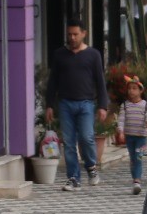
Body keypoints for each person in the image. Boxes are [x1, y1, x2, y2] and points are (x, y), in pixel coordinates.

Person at [45, 20, 109, 191]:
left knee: (87, 138)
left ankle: (91, 167)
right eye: (69, 34)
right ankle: (73, 177)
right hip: (65, 103)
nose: (72, 38)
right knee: (68, 141)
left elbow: (100, 81)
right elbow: (53, 81)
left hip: (86, 103)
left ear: (83, 34)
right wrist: (49, 104)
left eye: (75, 34)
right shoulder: (60, 55)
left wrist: (103, 105)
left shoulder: (93, 55)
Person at [116, 75, 147, 195]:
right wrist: (120, 131)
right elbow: (121, 119)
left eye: (134, 88)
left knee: (138, 157)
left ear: (141, 90)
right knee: (133, 159)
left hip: (141, 137)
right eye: (130, 88)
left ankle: (137, 181)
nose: (131, 91)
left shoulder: (145, 105)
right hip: (130, 136)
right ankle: (134, 178)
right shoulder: (125, 105)